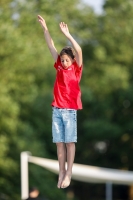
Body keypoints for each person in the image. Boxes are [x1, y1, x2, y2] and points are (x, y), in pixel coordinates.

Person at [37, 15, 83, 189]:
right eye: (62, 60)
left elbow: (79, 51)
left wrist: (68, 35)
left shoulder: (76, 69)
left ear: (71, 61)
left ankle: (69, 172)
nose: (63, 63)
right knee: (59, 143)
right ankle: (61, 171)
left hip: (70, 110)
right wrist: (45, 28)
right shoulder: (58, 65)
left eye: (66, 60)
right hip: (57, 109)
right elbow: (51, 45)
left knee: (69, 142)